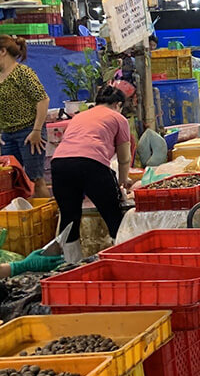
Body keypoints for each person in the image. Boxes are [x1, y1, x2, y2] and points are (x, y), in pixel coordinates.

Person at [50, 86, 132, 262]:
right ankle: (122, 260)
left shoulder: (79, 116)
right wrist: (123, 180)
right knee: (113, 214)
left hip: (60, 164)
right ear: (118, 104)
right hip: (91, 164)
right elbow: (125, 158)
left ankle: (71, 265)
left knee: (69, 217)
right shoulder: (118, 118)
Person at [0, 36, 49, 197]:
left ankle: (46, 219)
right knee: (11, 180)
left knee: (36, 178)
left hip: (29, 132)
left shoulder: (22, 73)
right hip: (7, 134)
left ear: (2, 52)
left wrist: (36, 131)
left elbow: (42, 99)